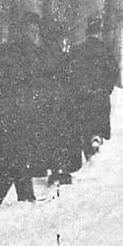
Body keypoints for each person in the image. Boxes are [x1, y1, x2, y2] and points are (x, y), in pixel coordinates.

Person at [0, 11, 50, 214]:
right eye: (30, 29)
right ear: (21, 31)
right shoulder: (38, 55)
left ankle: (25, 198)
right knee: (18, 157)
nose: (33, 34)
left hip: (5, 114)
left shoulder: (0, 52)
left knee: (15, 156)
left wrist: (0, 102)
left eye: (35, 30)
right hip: (26, 116)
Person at [38, 19, 82, 186]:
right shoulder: (66, 58)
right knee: (63, 138)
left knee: (49, 137)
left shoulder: (39, 58)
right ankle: (62, 169)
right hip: (63, 103)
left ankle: (54, 169)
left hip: (46, 103)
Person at [68, 15, 116, 159]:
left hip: (82, 96)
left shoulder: (77, 50)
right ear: (99, 32)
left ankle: (88, 150)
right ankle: (96, 140)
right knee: (97, 124)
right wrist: (106, 89)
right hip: (100, 96)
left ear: (87, 32)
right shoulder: (106, 50)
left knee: (83, 127)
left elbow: (70, 72)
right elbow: (113, 72)